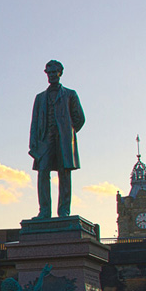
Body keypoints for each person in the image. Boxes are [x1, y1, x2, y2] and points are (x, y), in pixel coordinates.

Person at [29, 60, 85, 218]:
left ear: (60, 73)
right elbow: (34, 122)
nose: (52, 75)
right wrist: (33, 143)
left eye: (55, 72)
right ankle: (44, 211)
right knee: (43, 173)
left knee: (64, 174)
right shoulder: (40, 98)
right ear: (46, 74)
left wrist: (68, 132)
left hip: (64, 141)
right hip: (45, 140)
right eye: (49, 72)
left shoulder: (70, 94)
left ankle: (64, 211)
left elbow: (79, 118)